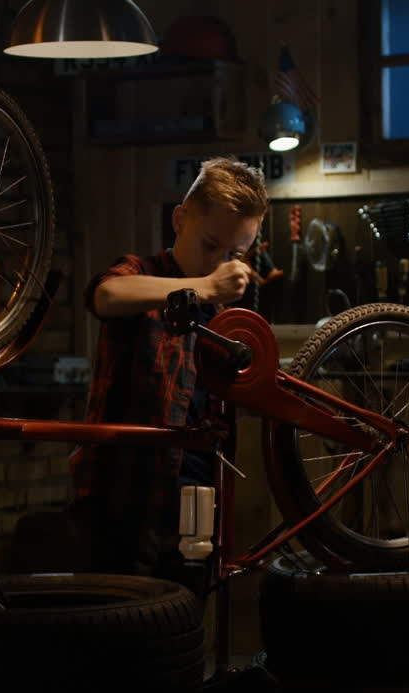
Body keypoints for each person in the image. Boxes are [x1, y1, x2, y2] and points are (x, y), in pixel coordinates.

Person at [69, 157, 268, 597]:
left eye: (234, 254)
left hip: (195, 503)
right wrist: (206, 286)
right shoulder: (143, 274)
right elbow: (106, 293)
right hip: (123, 499)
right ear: (180, 220)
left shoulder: (225, 316)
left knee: (183, 629)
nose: (220, 262)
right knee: (116, 624)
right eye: (211, 244)